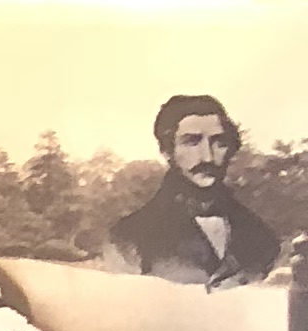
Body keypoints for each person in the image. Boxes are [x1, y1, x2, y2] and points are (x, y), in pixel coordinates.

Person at [104, 93, 284, 286]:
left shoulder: (262, 237)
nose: (207, 157)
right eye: (192, 142)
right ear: (167, 151)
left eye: (219, 142)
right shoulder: (129, 238)